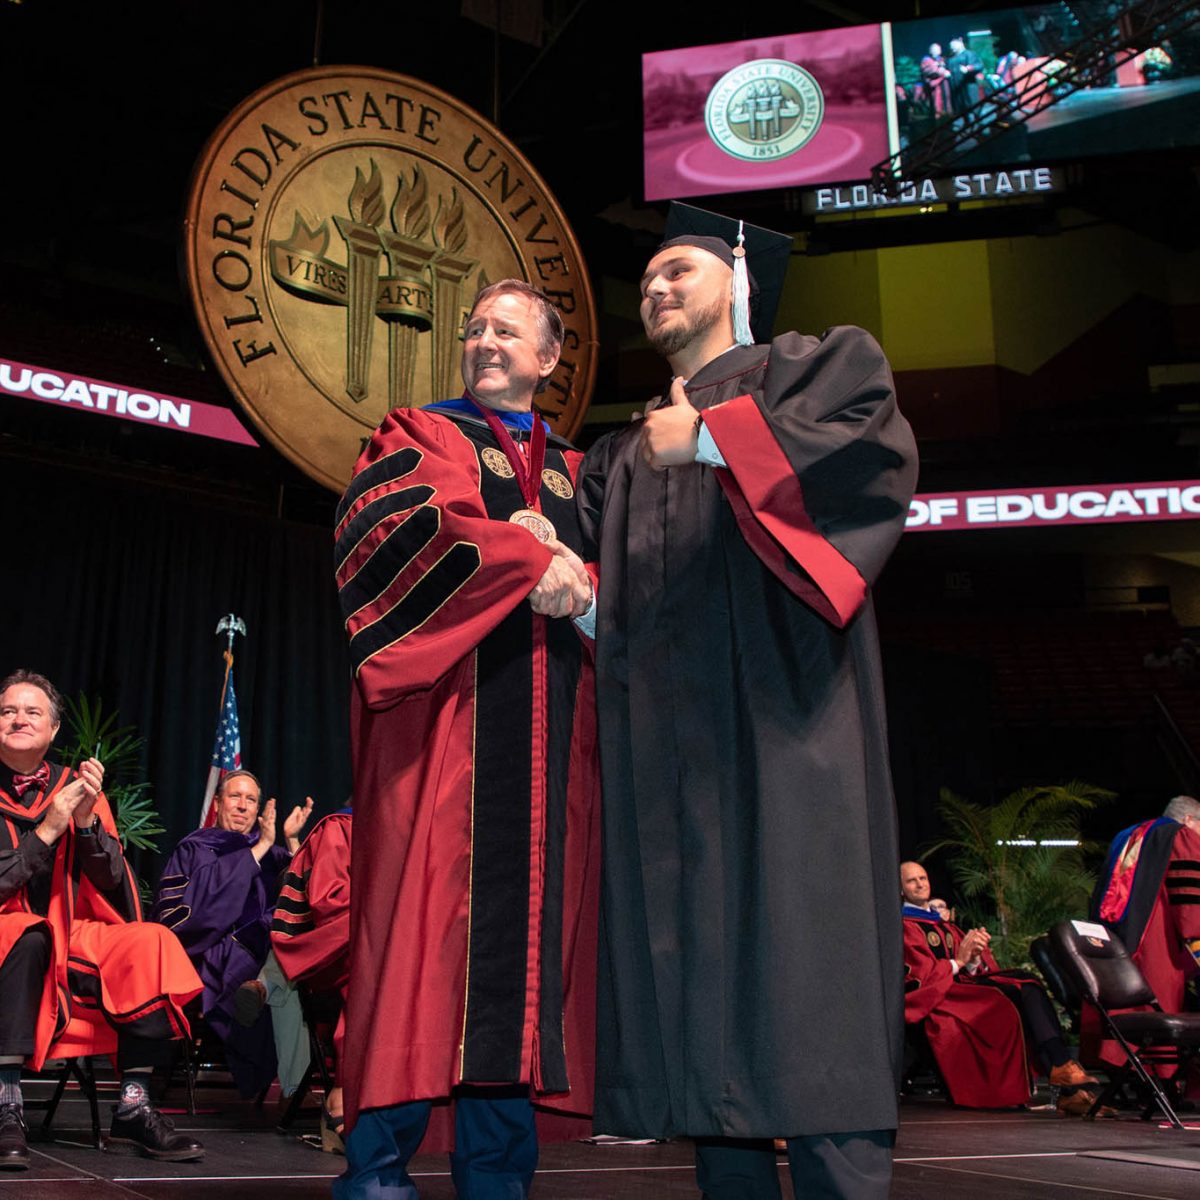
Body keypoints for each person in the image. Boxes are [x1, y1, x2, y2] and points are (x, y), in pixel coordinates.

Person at [576, 204, 918, 1200]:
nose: (655, 290)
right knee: (705, 1022)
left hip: (791, 736)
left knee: (811, 987)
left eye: (676, 270)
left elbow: (868, 468)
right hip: (678, 771)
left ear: (739, 277)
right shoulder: (624, 453)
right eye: (643, 283)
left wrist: (719, 441)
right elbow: (627, 617)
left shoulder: (818, 368)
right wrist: (577, 599)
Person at [333, 279, 599, 1199]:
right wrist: (527, 556)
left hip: (553, 750)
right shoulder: (417, 432)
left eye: (505, 329)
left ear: (549, 358)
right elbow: (396, 529)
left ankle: (499, 1178)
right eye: (474, 328)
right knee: (419, 947)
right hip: (444, 740)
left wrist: (588, 586)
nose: (483, 341)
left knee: (522, 969)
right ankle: (376, 1172)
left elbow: (630, 573)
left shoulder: (582, 470)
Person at [0, 669, 204, 1168]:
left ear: (52, 731)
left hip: (72, 933)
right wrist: (48, 829)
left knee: (149, 942)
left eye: (32, 711)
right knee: (27, 933)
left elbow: (113, 881)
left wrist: (87, 820)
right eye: (7, 711)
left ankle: (133, 1105)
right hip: (8, 929)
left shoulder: (75, 787)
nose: (18, 718)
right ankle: (6, 1105)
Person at [154, 771, 313, 1098]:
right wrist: (261, 848)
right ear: (217, 802)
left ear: (258, 810)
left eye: (250, 799)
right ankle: (295, 1091)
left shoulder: (272, 853)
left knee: (290, 968)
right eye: (235, 797)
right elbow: (184, 916)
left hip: (269, 955)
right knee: (284, 975)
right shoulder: (195, 848)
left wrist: (292, 840)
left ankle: (263, 990)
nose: (242, 806)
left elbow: (306, 892)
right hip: (211, 958)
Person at [901, 862, 1098, 1114]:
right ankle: (1066, 1080)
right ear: (901, 890)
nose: (920, 884)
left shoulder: (944, 925)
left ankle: (1063, 1073)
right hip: (943, 997)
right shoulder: (905, 927)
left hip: (963, 988)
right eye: (911, 881)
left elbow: (973, 969)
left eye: (923, 878)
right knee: (1013, 996)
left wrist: (974, 957)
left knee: (1027, 982)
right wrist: (959, 961)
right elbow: (918, 980)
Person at [1088, 795, 1200, 1069]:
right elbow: (1189, 905)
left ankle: (1131, 1078)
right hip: (1157, 937)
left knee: (1126, 1007)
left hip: (1116, 940)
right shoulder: (1180, 836)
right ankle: (1162, 1079)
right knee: (1160, 999)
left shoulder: (1127, 836)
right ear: (1188, 820)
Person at [271, 805, 353, 1153]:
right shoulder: (340, 826)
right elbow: (330, 904)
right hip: (331, 958)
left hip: (371, 948)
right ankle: (343, 1096)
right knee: (384, 967)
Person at [919, 43, 952, 116]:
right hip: (935, 87)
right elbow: (928, 71)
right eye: (934, 50)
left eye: (938, 50)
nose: (936, 51)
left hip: (945, 86)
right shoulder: (926, 60)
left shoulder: (942, 59)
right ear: (930, 51)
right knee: (936, 105)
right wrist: (942, 72)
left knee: (947, 103)